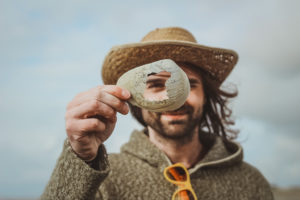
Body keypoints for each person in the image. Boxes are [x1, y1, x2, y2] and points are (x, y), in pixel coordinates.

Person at [41, 27, 274, 200]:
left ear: (206, 95)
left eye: (188, 85)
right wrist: (80, 158)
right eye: (155, 85)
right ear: (133, 98)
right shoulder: (102, 178)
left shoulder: (250, 182)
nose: (172, 99)